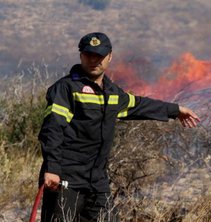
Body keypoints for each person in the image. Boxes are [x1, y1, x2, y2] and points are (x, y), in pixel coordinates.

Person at [38, 32, 200, 221]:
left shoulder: (112, 93)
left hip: (97, 182)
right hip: (66, 179)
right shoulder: (66, 88)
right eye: (89, 55)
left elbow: (138, 105)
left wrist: (175, 110)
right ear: (81, 56)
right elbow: (52, 129)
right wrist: (52, 168)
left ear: (109, 57)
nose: (94, 60)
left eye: (99, 56)